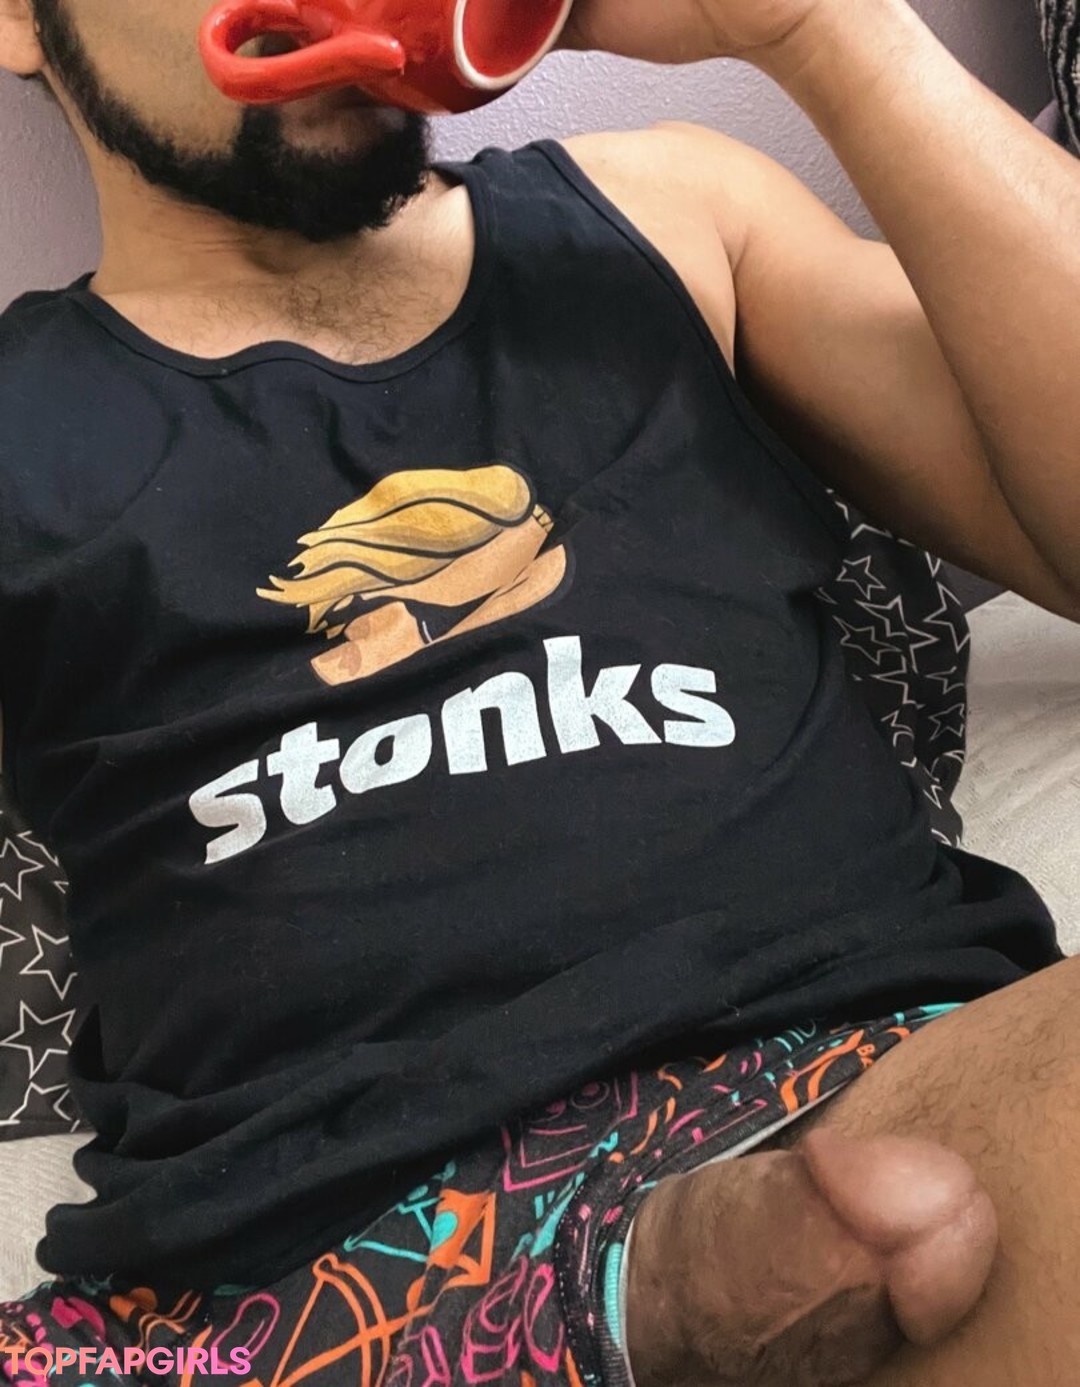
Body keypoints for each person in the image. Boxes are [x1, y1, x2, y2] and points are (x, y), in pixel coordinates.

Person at [0, 0, 1077, 1383]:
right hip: (312, 1255)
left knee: (919, 1205)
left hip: (856, 1084)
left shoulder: (677, 217)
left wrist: (820, 31)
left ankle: (629, 1294)